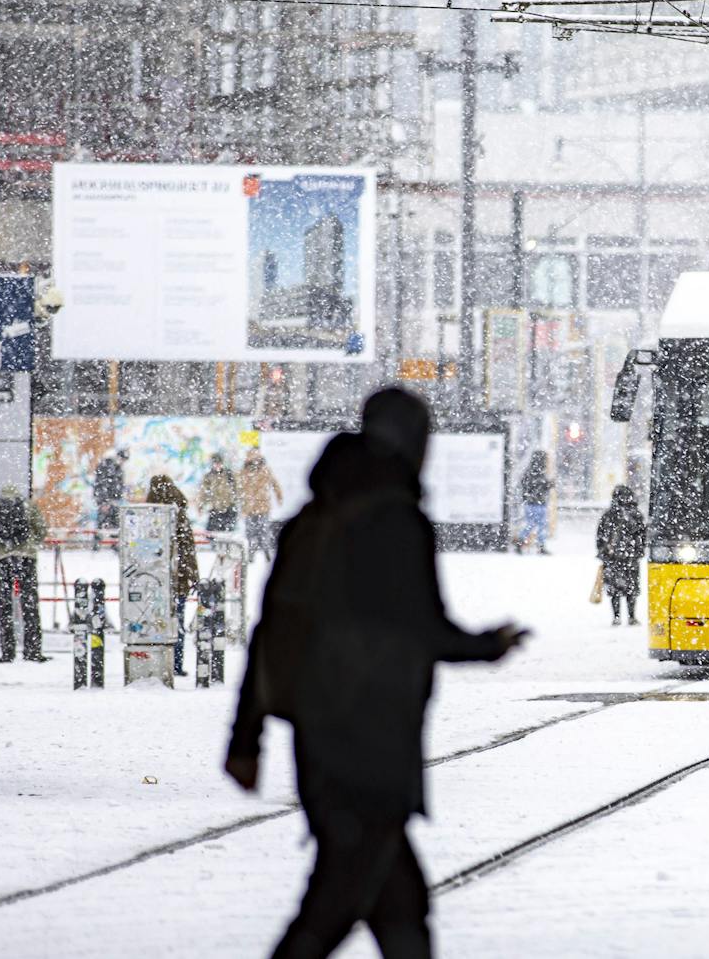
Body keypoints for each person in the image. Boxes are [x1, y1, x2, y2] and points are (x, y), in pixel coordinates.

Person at [225, 387, 527, 959]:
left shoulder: (313, 520)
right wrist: (491, 645)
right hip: (374, 735)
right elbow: (424, 629)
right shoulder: (397, 523)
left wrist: (246, 739)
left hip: (320, 733)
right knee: (337, 901)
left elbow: (273, 633)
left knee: (397, 903)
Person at [0, 484, 48, 663]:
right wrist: (31, 543)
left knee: (5, 605)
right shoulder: (28, 506)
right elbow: (42, 529)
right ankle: (33, 650)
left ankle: (8, 651)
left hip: (2, 559)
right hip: (26, 557)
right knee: (30, 604)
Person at [145, 475, 200, 676]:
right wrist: (193, 574)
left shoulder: (150, 513)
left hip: (154, 578)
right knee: (177, 622)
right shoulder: (179, 512)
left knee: (154, 621)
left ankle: (156, 663)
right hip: (178, 578)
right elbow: (188, 549)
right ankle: (176, 663)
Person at [596, 485, 647, 626]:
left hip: (613, 557)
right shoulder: (636, 515)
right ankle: (631, 616)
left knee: (615, 590)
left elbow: (600, 536)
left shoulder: (608, 515)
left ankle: (617, 616)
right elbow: (642, 536)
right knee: (631, 588)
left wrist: (603, 552)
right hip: (631, 557)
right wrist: (638, 551)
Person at [240, 449, 284, 562]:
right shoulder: (244, 472)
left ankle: (266, 552)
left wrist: (279, 496)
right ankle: (251, 553)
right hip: (249, 507)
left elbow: (275, 484)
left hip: (262, 506)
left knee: (263, 531)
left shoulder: (265, 470)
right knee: (250, 533)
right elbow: (239, 487)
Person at [517, 451, 554, 556]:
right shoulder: (540, 473)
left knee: (531, 524)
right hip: (538, 503)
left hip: (531, 503)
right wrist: (549, 484)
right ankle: (540, 546)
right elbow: (541, 485)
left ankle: (521, 542)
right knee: (540, 525)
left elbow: (526, 486)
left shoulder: (529, 472)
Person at [200, 453, 240, 534]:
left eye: (219, 463)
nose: (217, 465)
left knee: (228, 533)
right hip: (215, 509)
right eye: (215, 463)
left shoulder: (229, 475)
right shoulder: (209, 476)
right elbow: (204, 493)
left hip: (228, 508)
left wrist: (235, 501)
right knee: (212, 533)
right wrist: (201, 505)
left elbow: (237, 489)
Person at [94, 448, 126, 533]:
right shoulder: (106, 467)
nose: (122, 462)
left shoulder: (117, 468)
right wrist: (103, 502)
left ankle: (111, 539)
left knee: (113, 526)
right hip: (107, 501)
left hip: (113, 501)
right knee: (104, 525)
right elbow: (101, 484)